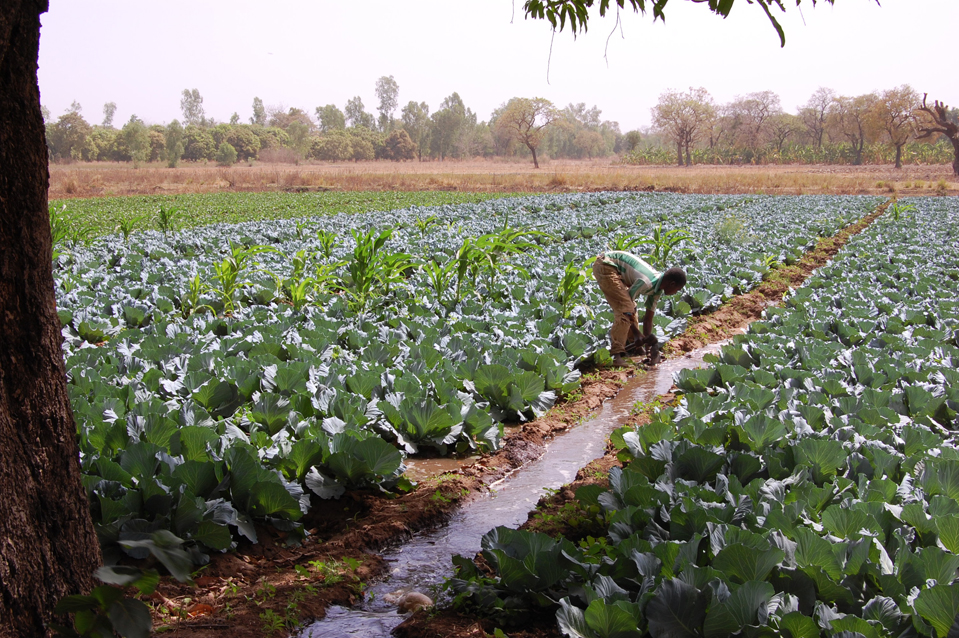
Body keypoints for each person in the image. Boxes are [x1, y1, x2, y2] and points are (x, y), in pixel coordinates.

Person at [591, 251, 687, 367]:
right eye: (677, 289)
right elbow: (626, 310)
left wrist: (648, 346)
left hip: (614, 267)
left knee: (632, 308)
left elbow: (648, 319)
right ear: (672, 284)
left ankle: (636, 348)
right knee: (626, 308)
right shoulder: (646, 282)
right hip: (606, 265)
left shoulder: (657, 289)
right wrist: (637, 333)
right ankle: (616, 355)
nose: (675, 293)